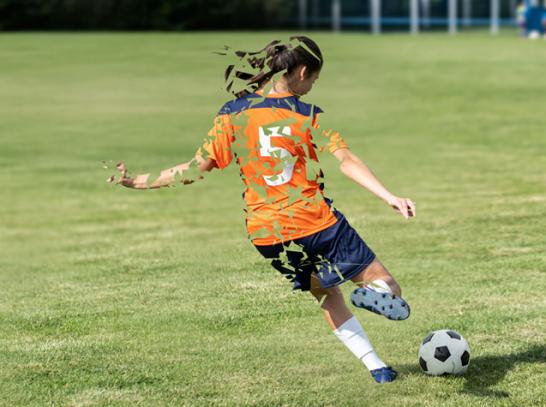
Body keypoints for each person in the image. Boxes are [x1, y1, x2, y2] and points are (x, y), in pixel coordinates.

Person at [107, 36, 415, 384]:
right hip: (316, 221)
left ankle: (378, 368)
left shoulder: (232, 114)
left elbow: (196, 169)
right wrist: (388, 195)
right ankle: (376, 294)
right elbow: (346, 160)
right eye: (313, 79)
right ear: (301, 72)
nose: (312, 86)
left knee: (326, 294)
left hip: (269, 235)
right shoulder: (308, 115)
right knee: (388, 285)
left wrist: (136, 181)